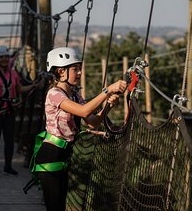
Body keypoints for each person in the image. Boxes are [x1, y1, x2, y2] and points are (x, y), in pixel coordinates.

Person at [32, 47, 127, 210]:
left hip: (64, 155)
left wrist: (108, 107)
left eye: (80, 69)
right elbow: (84, 111)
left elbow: (92, 122)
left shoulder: (74, 95)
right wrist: (108, 90)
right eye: (75, 69)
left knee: (60, 205)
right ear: (61, 72)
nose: (80, 73)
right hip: (50, 156)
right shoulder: (54, 94)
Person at [0, 45, 41, 178]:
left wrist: (33, 86)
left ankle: (8, 166)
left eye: (6, 57)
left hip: (9, 111)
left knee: (9, 140)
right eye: (1, 57)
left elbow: (19, 89)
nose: (4, 59)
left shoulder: (14, 74)